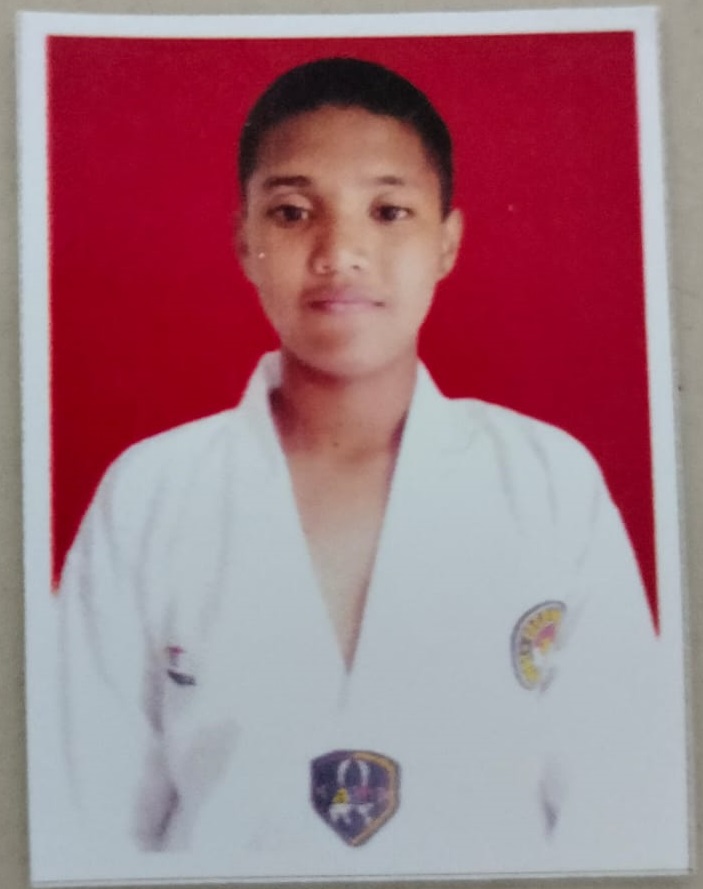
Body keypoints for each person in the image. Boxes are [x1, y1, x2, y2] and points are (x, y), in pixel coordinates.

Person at [52, 57, 681, 880]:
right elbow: (81, 820)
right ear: (244, 240)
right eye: (291, 212)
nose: (340, 251)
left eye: (388, 211)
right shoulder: (151, 493)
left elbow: (622, 805)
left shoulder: (547, 481)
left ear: (446, 241)